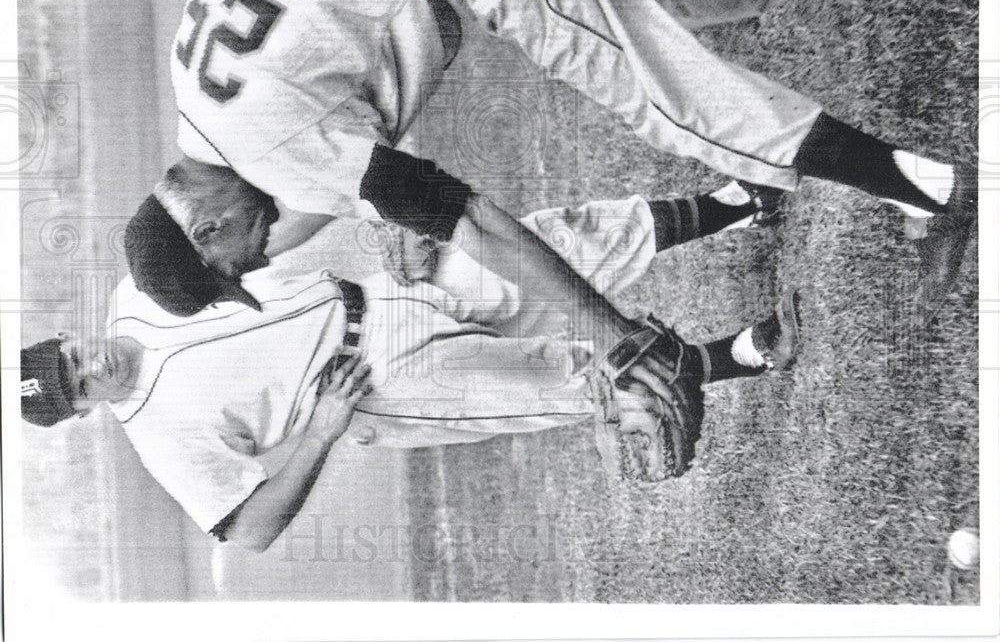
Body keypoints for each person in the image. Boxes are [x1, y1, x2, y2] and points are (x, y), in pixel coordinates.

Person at [157, 0, 974, 327]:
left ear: (204, 229)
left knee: (671, 101)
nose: (258, 257)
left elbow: (460, 216)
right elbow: (294, 193)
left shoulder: (259, 151)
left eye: (240, 262)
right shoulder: (192, 85)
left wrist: (608, 336)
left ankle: (930, 189)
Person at [21, 180, 800, 552]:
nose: (87, 368)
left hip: (383, 286)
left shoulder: (141, 285)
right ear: (86, 410)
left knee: (559, 245)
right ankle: (743, 351)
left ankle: (739, 202)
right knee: (571, 380)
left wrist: (373, 211)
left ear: (67, 337)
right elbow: (247, 529)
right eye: (76, 388)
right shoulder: (160, 439)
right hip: (383, 390)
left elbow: (255, 244)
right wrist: (321, 433)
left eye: (69, 358)